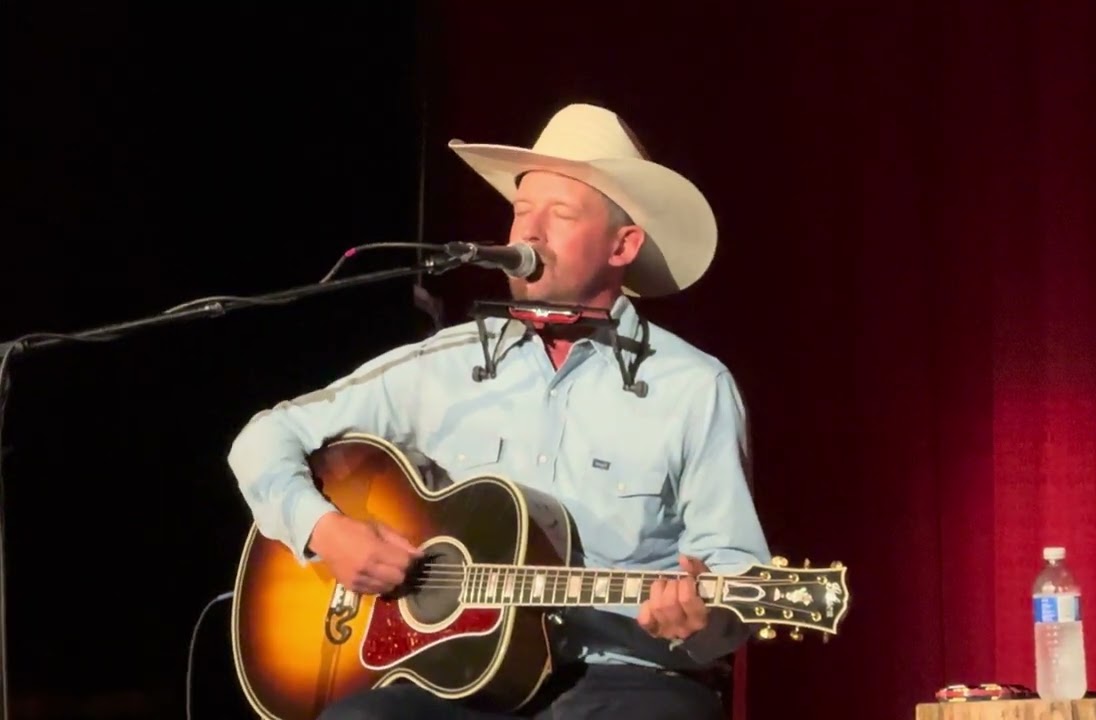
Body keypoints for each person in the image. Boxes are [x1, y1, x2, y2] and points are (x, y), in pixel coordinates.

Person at [227, 103, 771, 719]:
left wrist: (698, 621)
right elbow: (265, 437)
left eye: (560, 214)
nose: (527, 234)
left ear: (623, 244)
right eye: (521, 210)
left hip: (624, 679)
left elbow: (733, 577)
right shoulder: (448, 362)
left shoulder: (691, 387)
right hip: (456, 678)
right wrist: (325, 531)